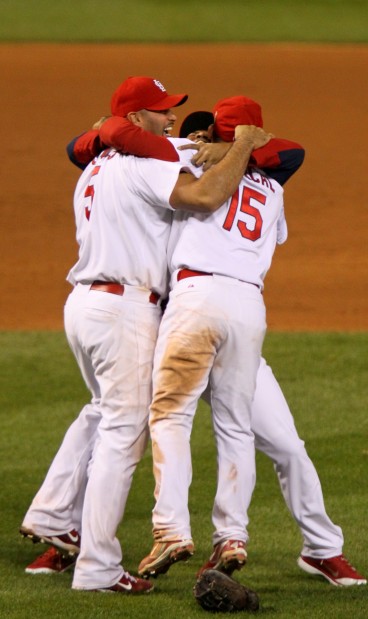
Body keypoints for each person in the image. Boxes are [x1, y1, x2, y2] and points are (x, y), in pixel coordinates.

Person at [27, 101, 366, 588]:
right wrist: (234, 144)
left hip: (202, 323)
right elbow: (83, 148)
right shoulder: (165, 166)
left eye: (204, 139)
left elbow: (288, 153)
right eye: (193, 142)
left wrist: (236, 149)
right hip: (168, 328)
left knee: (285, 443)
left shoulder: (217, 166)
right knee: (112, 421)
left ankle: (322, 548)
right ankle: (69, 534)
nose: (196, 148)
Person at [20, 75, 270, 593]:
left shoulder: (99, 161)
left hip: (85, 304)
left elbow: (93, 138)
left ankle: (50, 514)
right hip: (124, 309)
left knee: (101, 411)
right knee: (122, 435)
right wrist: (243, 144)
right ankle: (97, 567)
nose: (172, 117)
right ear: (134, 121)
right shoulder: (143, 160)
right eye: (161, 112)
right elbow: (202, 197)